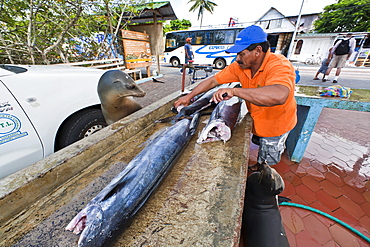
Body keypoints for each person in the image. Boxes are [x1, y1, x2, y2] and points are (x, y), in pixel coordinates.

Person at [174, 25, 297, 170]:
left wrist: (235, 92)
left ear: (258, 51)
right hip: (258, 119)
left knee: (268, 160)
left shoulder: (279, 64)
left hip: (276, 124)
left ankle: (263, 174)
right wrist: (189, 96)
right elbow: (214, 80)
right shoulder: (240, 66)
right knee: (259, 144)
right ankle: (258, 165)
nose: (237, 58)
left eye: (241, 54)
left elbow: (279, 95)